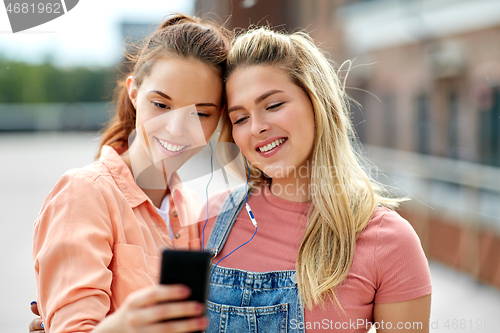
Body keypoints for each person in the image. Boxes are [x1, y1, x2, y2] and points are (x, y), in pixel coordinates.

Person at [199, 27, 432, 332]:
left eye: (273, 105)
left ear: (317, 103)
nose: (256, 127)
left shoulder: (388, 241)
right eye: (240, 118)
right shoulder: (210, 219)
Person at [31, 14, 230, 333]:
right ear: (134, 92)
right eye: (161, 105)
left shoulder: (197, 208)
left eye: (201, 113)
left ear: (220, 118)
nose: (177, 129)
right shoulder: (84, 193)